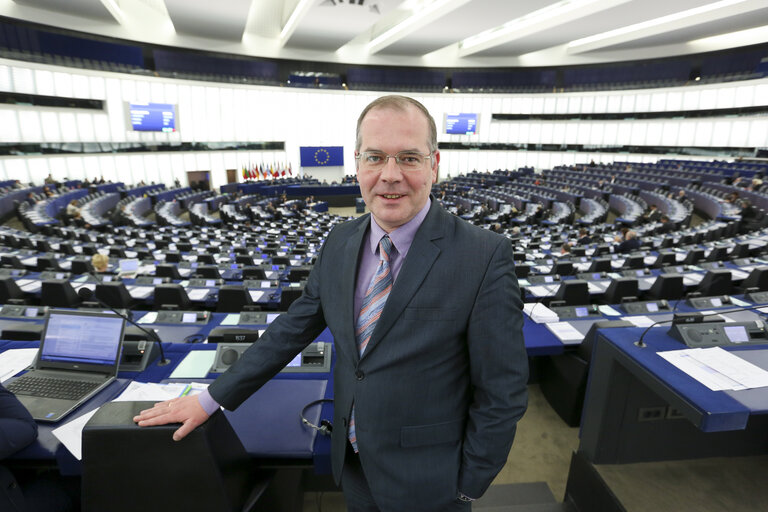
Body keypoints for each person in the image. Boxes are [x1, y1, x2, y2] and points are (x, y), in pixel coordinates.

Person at [134, 95, 528, 511]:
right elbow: (292, 329)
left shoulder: (484, 255)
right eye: (375, 157)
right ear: (357, 163)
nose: (390, 176)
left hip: (433, 484)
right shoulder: (339, 242)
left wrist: (470, 484)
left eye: (409, 158)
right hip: (354, 463)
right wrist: (210, 398)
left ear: (434, 164)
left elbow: (502, 390)